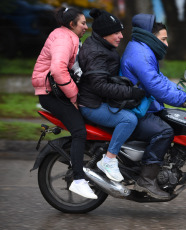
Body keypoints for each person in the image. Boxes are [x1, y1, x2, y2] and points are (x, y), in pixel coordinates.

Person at [120, 14, 186, 199]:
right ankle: (147, 179)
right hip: (137, 110)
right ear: (150, 36)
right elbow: (157, 87)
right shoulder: (140, 54)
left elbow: (160, 80)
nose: (167, 44)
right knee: (164, 131)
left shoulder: (142, 50)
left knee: (173, 119)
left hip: (144, 106)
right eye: (163, 39)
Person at [32, 7, 97, 199]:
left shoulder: (67, 36)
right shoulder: (62, 39)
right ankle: (78, 179)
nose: (86, 26)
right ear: (72, 24)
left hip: (55, 91)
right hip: (50, 93)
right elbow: (59, 70)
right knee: (79, 131)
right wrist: (74, 96)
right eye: (83, 23)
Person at [77, 9, 145, 183]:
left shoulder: (103, 46)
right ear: (104, 34)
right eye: (116, 32)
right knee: (129, 120)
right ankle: (109, 159)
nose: (121, 36)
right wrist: (130, 92)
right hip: (92, 105)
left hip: (99, 100)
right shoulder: (96, 53)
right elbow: (100, 86)